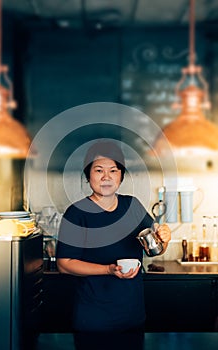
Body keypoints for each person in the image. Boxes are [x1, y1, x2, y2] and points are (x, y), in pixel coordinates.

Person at [56, 140, 171, 350]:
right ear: (88, 175)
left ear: (121, 176)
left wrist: (164, 239)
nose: (106, 177)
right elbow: (64, 264)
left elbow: (154, 248)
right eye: (99, 170)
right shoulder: (77, 213)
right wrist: (108, 270)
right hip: (93, 321)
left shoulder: (132, 206)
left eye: (113, 170)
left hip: (132, 317)